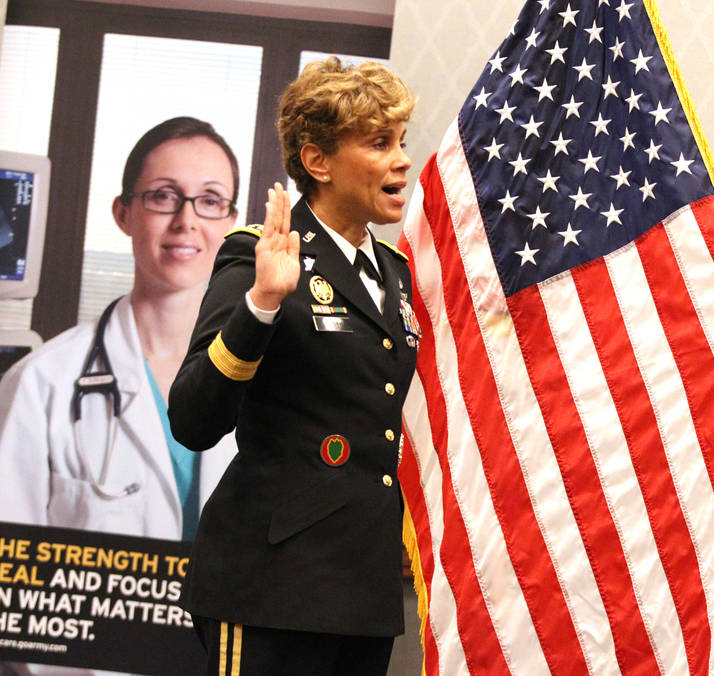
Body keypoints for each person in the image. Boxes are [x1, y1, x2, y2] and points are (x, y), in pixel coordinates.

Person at [168, 58, 417, 675]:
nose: (401, 160)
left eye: (401, 142)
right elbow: (193, 417)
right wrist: (263, 303)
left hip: (364, 593)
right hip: (271, 586)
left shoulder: (398, 276)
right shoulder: (259, 255)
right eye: (380, 143)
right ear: (318, 162)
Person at [0, 117, 240, 676]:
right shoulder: (42, 384)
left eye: (209, 201)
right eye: (163, 197)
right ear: (124, 213)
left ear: (230, 224)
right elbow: (9, 583)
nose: (185, 221)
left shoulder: (273, 390)